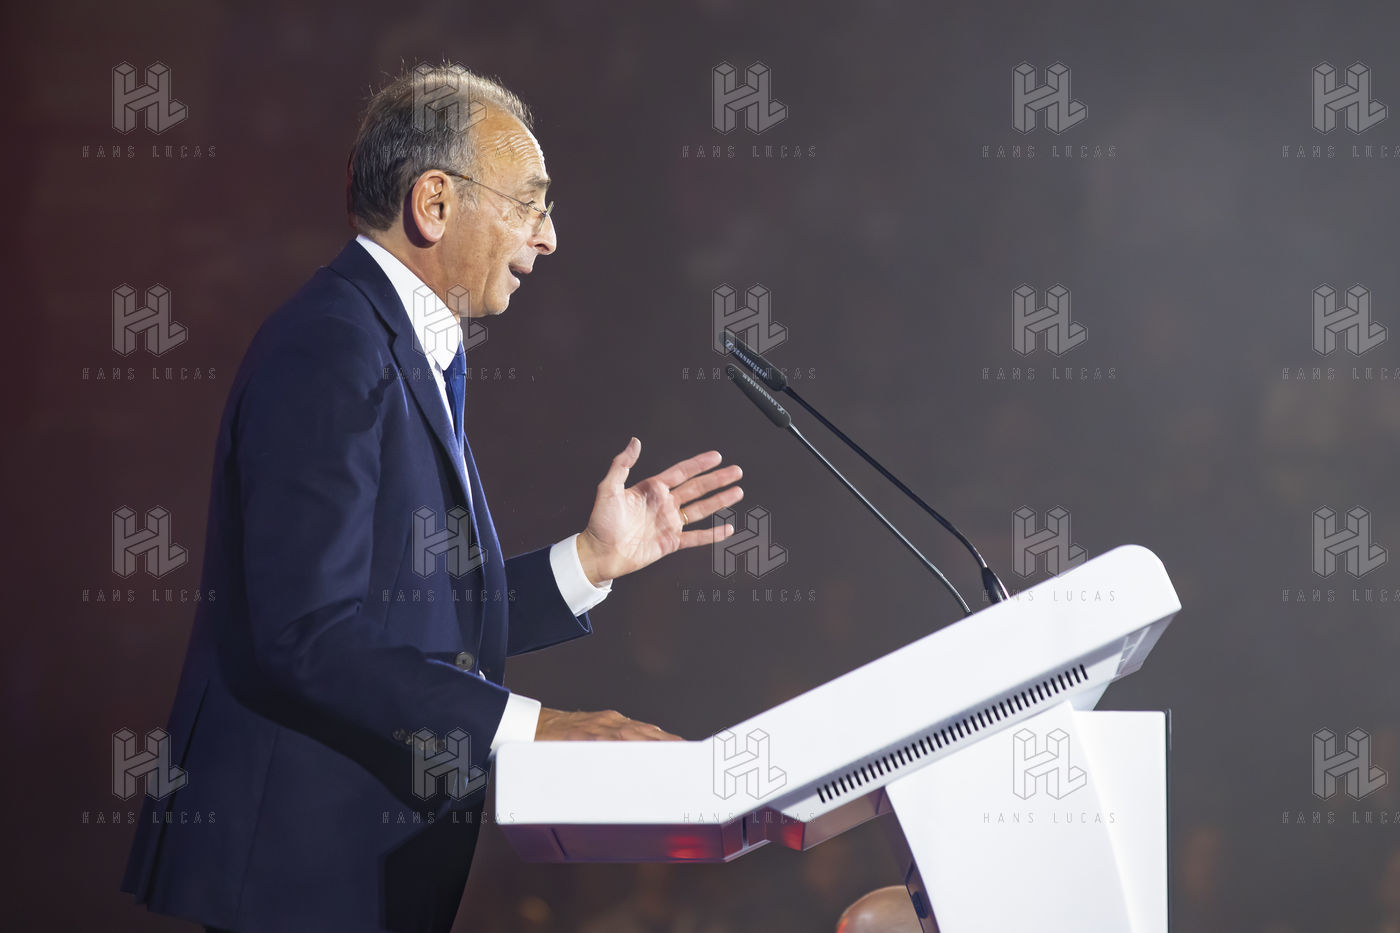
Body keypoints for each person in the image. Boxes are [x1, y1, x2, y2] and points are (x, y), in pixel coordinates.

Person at [122, 63, 743, 933]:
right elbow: (309, 634)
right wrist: (535, 726)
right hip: (296, 876)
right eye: (529, 205)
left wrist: (590, 560)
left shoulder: (403, 343)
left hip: (348, 872)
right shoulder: (330, 346)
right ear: (435, 202)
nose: (550, 237)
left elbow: (413, 614)